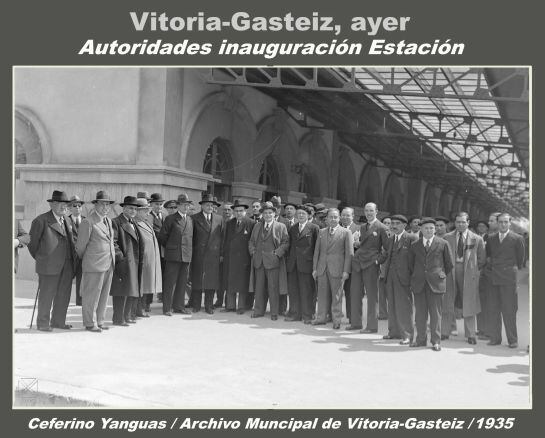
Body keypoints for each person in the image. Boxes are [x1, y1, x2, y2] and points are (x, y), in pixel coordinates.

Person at [28, 190, 76, 331]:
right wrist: (42, 259)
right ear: (52, 204)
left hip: (67, 266)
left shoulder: (67, 220)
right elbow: (32, 244)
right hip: (48, 266)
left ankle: (58, 322)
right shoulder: (41, 220)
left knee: (63, 296)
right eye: (60, 203)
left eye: (66, 204)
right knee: (47, 295)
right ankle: (43, 323)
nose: (64, 207)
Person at [409, 217, 453, 351]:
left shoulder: (443, 243)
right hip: (419, 283)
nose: (429, 230)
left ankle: (436, 341)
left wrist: (440, 275)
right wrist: (417, 275)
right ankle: (420, 340)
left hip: (436, 284)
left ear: (435, 229)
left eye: (431, 228)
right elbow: (411, 264)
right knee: (420, 314)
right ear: (421, 229)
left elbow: (449, 264)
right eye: (426, 228)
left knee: (436, 314)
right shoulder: (415, 245)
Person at [442, 212, 486, 344]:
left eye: (463, 222)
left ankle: (471, 334)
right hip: (451, 272)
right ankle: (445, 332)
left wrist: (475, 274)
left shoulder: (476, 239)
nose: (460, 224)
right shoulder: (447, 237)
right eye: (458, 222)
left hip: (469, 274)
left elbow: (482, 259)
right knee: (448, 302)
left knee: (469, 303)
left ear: (468, 222)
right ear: (454, 223)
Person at [75, 191, 116, 332]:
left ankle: (100, 320)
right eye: (103, 204)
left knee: (103, 296)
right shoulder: (88, 222)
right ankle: (90, 323)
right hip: (94, 264)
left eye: (108, 204)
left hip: (109, 263)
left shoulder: (109, 221)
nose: (106, 207)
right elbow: (80, 247)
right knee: (91, 295)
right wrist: (88, 260)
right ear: (95, 205)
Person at [348, 202, 389, 333]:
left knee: (372, 296)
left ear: (377, 211)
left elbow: (387, 249)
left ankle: (371, 326)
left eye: (371, 210)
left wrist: (378, 261)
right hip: (358, 263)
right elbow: (363, 244)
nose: (368, 213)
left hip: (371, 264)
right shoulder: (362, 227)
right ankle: (356, 323)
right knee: (355, 293)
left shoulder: (381, 227)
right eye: (366, 210)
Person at [486, 213, 525, 348]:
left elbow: (521, 260)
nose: (503, 224)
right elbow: (489, 256)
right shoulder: (491, 239)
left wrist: (511, 271)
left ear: (510, 223)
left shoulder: (517, 238)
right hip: (494, 277)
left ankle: (512, 340)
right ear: (497, 223)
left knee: (509, 309)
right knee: (493, 309)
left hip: (509, 278)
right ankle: (495, 338)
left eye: (506, 222)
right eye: (501, 222)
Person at [312, 208, 353, 329]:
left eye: (336, 217)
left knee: (337, 296)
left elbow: (349, 254)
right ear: (327, 219)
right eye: (331, 217)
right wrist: (315, 268)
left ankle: (336, 320)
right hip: (322, 268)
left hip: (338, 269)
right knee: (322, 295)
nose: (333, 219)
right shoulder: (321, 232)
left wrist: (346, 271)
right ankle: (321, 318)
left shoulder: (346, 233)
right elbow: (316, 252)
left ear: (339, 218)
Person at [248, 201, 289, 320]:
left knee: (273, 288)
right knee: (259, 288)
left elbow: (286, 242)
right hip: (259, 261)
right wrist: (253, 252)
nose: (267, 215)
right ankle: (258, 311)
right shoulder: (257, 226)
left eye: (270, 213)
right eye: (265, 213)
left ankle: (274, 312)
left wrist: (277, 253)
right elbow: (251, 241)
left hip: (273, 262)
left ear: (274, 214)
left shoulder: (281, 226)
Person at [382, 214, 418, 344]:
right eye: (392, 223)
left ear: (404, 225)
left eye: (397, 223)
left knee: (404, 307)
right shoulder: (391, 238)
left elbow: (416, 259)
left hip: (404, 278)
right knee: (391, 305)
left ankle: (407, 335)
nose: (394, 226)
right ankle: (394, 332)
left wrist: (413, 277)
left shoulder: (411, 238)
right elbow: (386, 255)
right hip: (390, 276)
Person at [158, 194, 193, 316]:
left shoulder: (189, 219)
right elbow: (163, 236)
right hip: (173, 255)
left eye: (187, 205)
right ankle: (167, 308)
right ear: (178, 206)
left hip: (186, 256)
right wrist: (171, 247)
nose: (186, 207)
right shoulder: (171, 218)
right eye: (183, 205)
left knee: (182, 282)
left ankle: (179, 306)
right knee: (170, 283)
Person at [110, 196, 141, 326]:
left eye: (135, 208)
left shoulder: (134, 223)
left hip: (134, 261)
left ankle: (127, 316)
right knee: (120, 291)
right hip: (123, 262)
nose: (133, 211)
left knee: (131, 290)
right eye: (130, 208)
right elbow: (114, 242)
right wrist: (120, 258)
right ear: (123, 208)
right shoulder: (116, 222)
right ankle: (118, 319)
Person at [285, 205, 319, 323]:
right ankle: (295, 314)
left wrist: (315, 266)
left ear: (309, 215)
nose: (300, 216)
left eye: (303, 214)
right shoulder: (293, 228)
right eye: (298, 213)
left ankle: (307, 315)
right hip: (293, 264)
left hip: (307, 264)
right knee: (293, 290)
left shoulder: (314, 228)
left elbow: (316, 248)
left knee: (307, 291)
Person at [190, 193, 223, 314]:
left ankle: (208, 305)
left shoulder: (219, 219)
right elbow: (191, 237)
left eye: (212, 205)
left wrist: (221, 254)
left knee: (211, 281)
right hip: (199, 254)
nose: (210, 207)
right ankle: (196, 305)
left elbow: (222, 237)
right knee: (197, 280)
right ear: (202, 206)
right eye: (207, 205)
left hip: (213, 255)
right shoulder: (194, 218)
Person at [222, 200, 255, 313]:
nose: (238, 213)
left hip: (244, 259)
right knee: (230, 282)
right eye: (236, 211)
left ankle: (241, 306)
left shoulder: (251, 223)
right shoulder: (230, 223)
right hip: (231, 257)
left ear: (245, 211)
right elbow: (226, 240)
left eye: (241, 211)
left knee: (242, 283)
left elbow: (252, 241)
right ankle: (230, 306)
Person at [134, 198, 162, 317]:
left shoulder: (145, 222)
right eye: (145, 210)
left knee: (146, 287)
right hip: (143, 261)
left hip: (150, 260)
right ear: (138, 211)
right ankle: (138, 310)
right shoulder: (135, 223)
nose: (147, 213)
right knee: (141, 287)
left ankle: (142, 308)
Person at [340, 207, 360, 325]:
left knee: (351, 292)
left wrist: (356, 243)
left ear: (353, 216)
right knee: (336, 291)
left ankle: (352, 316)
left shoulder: (359, 228)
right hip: (338, 264)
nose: (345, 217)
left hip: (353, 265)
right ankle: (333, 314)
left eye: (348, 215)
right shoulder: (337, 228)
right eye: (343, 215)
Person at [215, 201, 234, 308]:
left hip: (230, 256)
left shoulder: (234, 222)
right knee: (219, 279)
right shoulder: (219, 221)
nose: (226, 212)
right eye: (225, 210)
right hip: (219, 254)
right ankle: (219, 300)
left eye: (229, 209)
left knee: (228, 279)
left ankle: (228, 302)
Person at [67, 195, 85, 306]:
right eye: (75, 206)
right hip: (70, 256)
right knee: (67, 279)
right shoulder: (66, 220)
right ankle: (64, 300)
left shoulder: (86, 220)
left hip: (82, 256)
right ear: (70, 208)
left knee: (81, 279)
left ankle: (80, 300)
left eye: (79, 206)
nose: (77, 208)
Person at [149, 193, 166, 304]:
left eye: (160, 204)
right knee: (151, 275)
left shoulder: (165, 216)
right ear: (151, 204)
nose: (159, 206)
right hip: (153, 249)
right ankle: (148, 301)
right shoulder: (148, 216)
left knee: (164, 273)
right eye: (156, 204)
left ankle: (162, 296)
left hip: (164, 250)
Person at [378, 215, 392, 320]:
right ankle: (383, 313)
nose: (387, 225)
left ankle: (392, 313)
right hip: (380, 266)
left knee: (391, 293)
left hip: (391, 267)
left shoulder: (394, 236)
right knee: (381, 293)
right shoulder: (378, 234)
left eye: (389, 223)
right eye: (385, 223)